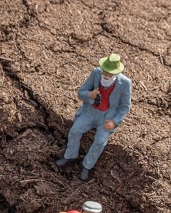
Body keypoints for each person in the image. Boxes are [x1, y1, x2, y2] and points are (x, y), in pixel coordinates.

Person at [55, 53, 132, 181]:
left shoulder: (125, 83)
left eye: (109, 73)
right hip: (90, 112)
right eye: (105, 72)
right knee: (75, 130)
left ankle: (87, 166)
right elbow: (81, 93)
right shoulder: (96, 73)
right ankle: (70, 156)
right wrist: (90, 94)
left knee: (100, 141)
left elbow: (125, 107)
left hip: (107, 116)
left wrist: (114, 122)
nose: (106, 75)